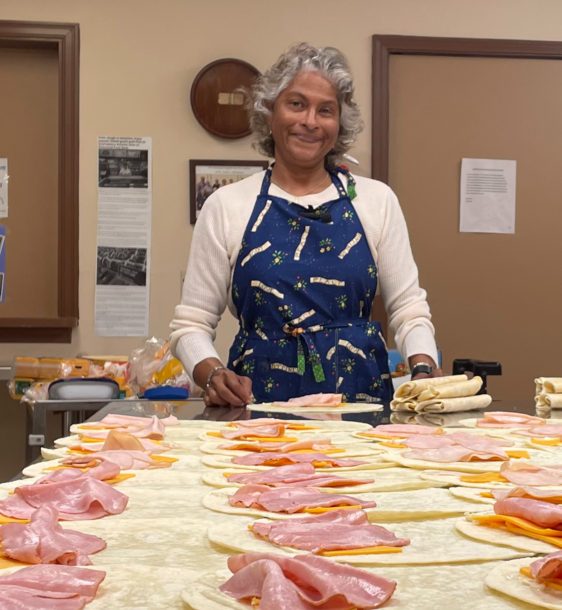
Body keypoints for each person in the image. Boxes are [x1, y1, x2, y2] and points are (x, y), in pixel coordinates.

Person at [170, 43, 442, 407]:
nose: (310, 121)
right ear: (270, 113)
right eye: (296, 104)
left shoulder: (376, 202)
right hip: (257, 412)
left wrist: (422, 366)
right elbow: (191, 325)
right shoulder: (227, 206)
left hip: (361, 410)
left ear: (338, 124)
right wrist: (212, 374)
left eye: (325, 110)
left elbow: (409, 308)